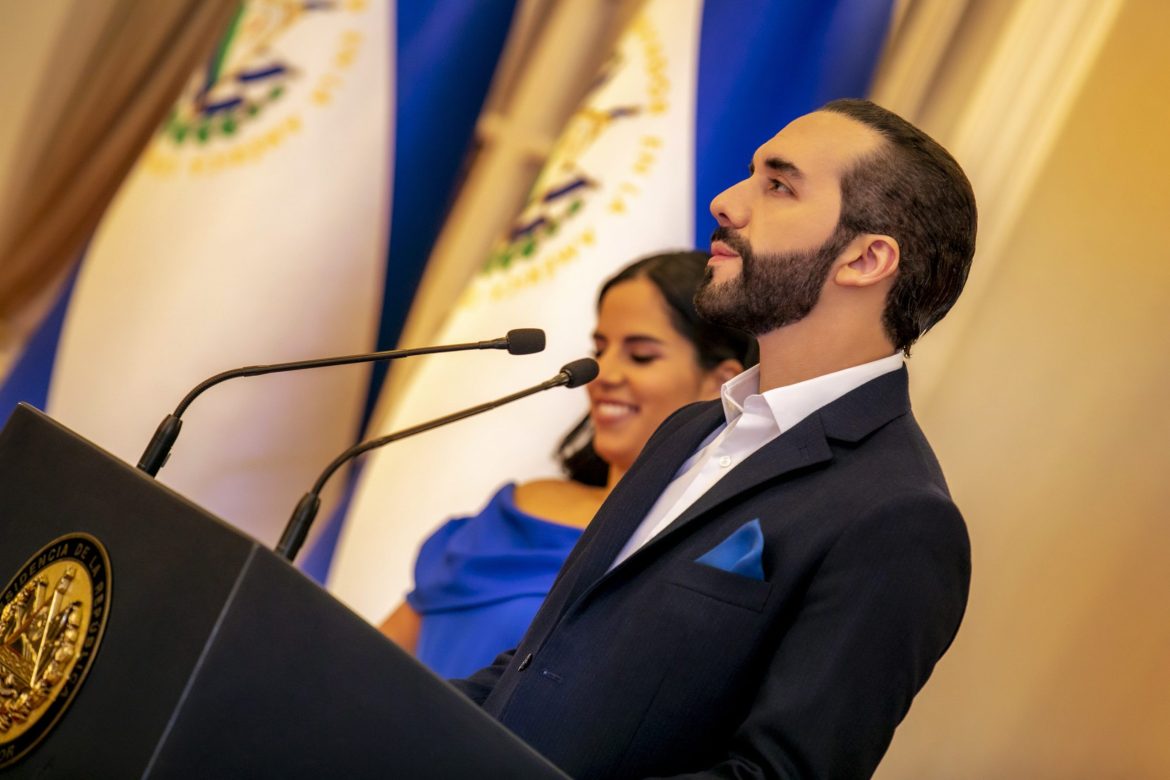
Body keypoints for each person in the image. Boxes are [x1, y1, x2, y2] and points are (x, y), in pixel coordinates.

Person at [451, 98, 978, 779]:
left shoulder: (899, 517)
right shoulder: (688, 429)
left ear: (865, 258)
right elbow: (540, 664)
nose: (725, 203)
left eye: (778, 185)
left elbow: (776, 774)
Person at [379, 251, 754, 679]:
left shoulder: (707, 543)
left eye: (640, 356)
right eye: (600, 349)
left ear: (720, 382)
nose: (603, 373)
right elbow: (364, 664)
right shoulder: (514, 512)